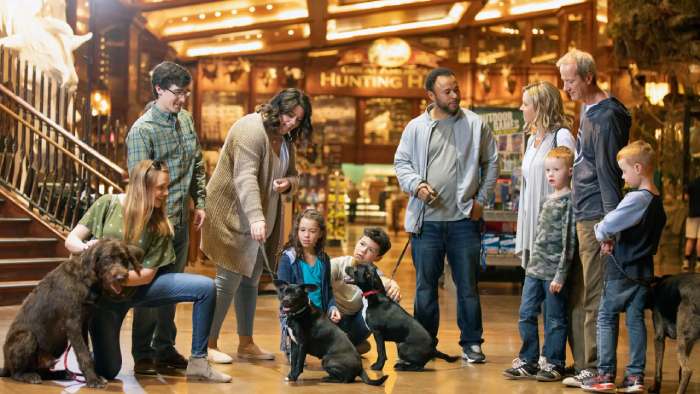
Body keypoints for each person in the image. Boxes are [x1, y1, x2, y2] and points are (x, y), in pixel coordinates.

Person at [65, 160, 230, 382]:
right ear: (142, 186)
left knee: (206, 288)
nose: (166, 193)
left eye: (167, 187)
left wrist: (114, 279)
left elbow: (147, 275)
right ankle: (92, 354)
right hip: (106, 300)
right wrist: (87, 248)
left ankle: (199, 362)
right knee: (109, 370)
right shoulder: (107, 204)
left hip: (141, 288)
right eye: (161, 187)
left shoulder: (160, 222)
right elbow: (71, 240)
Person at [394, 67, 499, 363]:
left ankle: (472, 343)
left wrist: (481, 200)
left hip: (464, 221)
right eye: (447, 91)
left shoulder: (476, 125)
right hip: (425, 223)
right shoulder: (415, 127)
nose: (455, 95)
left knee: (467, 285)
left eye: (456, 89)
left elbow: (492, 162)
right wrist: (417, 186)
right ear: (431, 95)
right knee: (425, 287)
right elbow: (401, 163)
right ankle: (423, 345)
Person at [201, 88, 312, 363]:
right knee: (227, 280)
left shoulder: (285, 138)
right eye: (288, 116)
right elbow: (245, 177)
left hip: (257, 217)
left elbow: (294, 176)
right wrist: (257, 217)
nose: (291, 123)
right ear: (276, 108)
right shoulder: (251, 129)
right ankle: (207, 344)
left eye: (298, 120)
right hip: (232, 214)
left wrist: (289, 184)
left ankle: (246, 342)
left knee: (250, 280)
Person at [125, 61, 207, 374]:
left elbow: (197, 163)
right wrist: (154, 221)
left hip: (182, 221)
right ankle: (143, 354)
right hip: (154, 225)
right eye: (177, 92)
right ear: (158, 89)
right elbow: (139, 186)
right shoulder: (141, 131)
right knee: (148, 290)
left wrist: (199, 201)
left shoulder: (185, 119)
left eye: (186, 92)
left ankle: (164, 348)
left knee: (171, 290)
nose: (183, 99)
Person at [556, 49, 631, 387]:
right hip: (586, 211)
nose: (565, 87)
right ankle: (588, 362)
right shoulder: (589, 111)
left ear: (588, 77)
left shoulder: (605, 116)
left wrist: (609, 225)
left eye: (570, 80)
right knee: (586, 291)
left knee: (597, 294)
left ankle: (598, 367)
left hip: (596, 217)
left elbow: (607, 171)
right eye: (563, 80)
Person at [581, 140, 666, 393]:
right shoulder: (656, 199)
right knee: (635, 320)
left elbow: (607, 225)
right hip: (642, 271)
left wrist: (602, 233)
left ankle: (605, 373)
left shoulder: (636, 199)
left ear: (638, 168)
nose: (622, 176)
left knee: (606, 317)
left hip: (621, 270)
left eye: (624, 170)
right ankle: (634, 377)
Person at [503, 147, 576, 382]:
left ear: (570, 171)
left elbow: (569, 241)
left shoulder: (570, 202)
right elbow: (540, 236)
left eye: (556, 169)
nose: (550, 175)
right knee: (526, 313)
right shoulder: (546, 199)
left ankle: (554, 362)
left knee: (554, 318)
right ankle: (528, 360)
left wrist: (560, 275)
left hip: (553, 273)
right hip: (534, 270)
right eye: (547, 170)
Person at [515, 81, 575, 268]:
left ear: (540, 107)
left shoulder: (562, 136)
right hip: (531, 216)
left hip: (552, 222)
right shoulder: (532, 138)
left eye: (525, 104)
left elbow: (573, 179)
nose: (521, 108)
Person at [277, 209, 339, 356]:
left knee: (347, 346)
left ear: (320, 234)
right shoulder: (288, 259)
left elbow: (327, 290)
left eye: (312, 231)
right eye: (302, 230)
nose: (306, 235)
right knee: (300, 355)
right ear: (297, 231)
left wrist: (332, 308)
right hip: (297, 318)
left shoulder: (324, 259)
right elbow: (283, 295)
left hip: (320, 318)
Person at [330, 227, 401, 353]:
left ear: (378, 257)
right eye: (362, 244)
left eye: (370, 250)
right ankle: (346, 346)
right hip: (331, 319)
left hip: (355, 326)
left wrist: (393, 284)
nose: (363, 251)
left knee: (387, 300)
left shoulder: (374, 276)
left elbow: (382, 281)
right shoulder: (338, 264)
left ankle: (346, 344)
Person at [683, 173, 700, 272]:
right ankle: (698, 263)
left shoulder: (692, 183)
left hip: (692, 214)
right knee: (699, 239)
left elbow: (685, 198)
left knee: (690, 239)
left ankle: (686, 261)